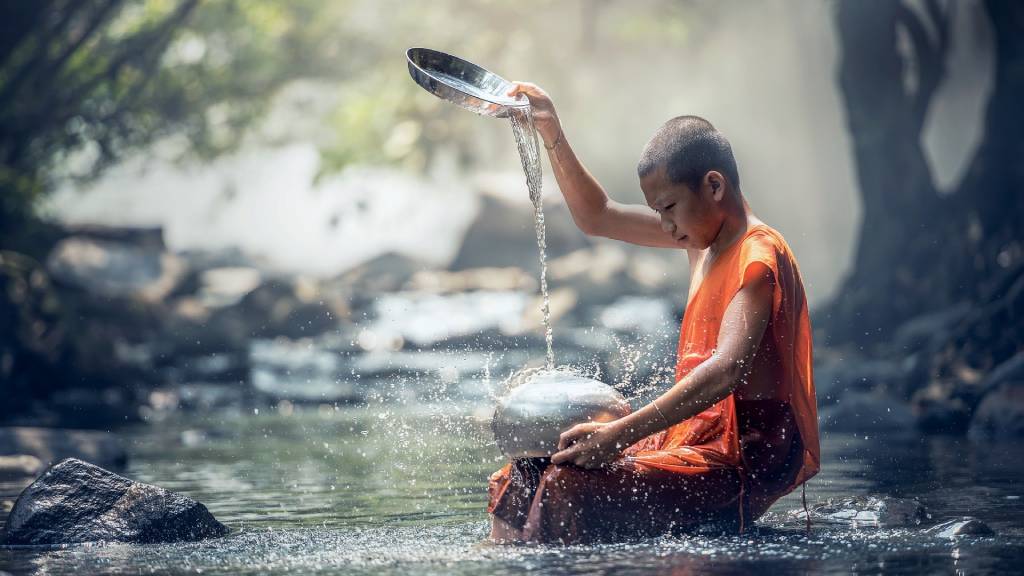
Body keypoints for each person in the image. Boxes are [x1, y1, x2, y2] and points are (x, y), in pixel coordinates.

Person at [487, 82, 820, 544]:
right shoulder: (701, 236)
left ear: (714, 186)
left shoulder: (756, 255)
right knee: (524, 471)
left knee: (566, 485)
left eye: (668, 208)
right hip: (690, 440)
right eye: (656, 212)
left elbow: (727, 370)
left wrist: (620, 434)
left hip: (739, 461)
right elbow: (598, 215)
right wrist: (551, 131)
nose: (665, 227)